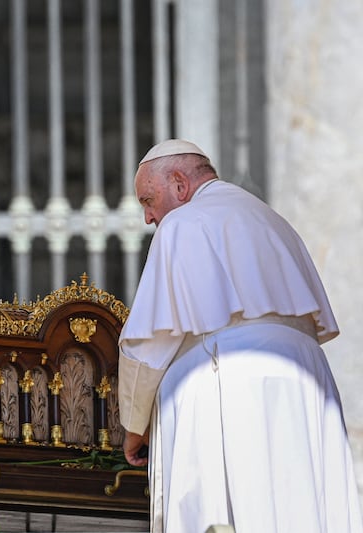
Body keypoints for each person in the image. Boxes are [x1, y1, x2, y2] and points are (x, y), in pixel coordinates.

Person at [117, 139, 363, 533]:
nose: (148, 217)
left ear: (180, 184)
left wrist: (134, 423)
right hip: (306, 383)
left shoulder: (182, 223)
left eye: (148, 200)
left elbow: (150, 342)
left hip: (229, 380)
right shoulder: (273, 220)